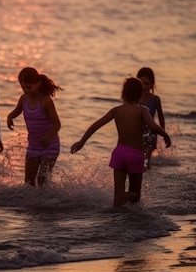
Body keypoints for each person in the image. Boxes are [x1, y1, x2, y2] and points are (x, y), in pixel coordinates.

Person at [71, 77, 171, 208]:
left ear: (123, 93)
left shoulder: (116, 110)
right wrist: (165, 135)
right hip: (135, 155)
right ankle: (128, 197)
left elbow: (96, 125)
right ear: (140, 94)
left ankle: (118, 220)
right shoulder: (142, 111)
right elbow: (152, 126)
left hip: (119, 153)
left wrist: (82, 141)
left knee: (117, 202)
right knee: (135, 196)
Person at [7, 67, 61, 187]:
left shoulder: (46, 101)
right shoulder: (24, 99)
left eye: (29, 87)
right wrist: (10, 117)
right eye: (23, 87)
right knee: (28, 182)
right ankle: (30, 205)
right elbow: (16, 111)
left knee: (42, 181)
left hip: (50, 146)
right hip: (33, 145)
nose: (26, 90)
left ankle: (44, 203)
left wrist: (48, 137)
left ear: (38, 83)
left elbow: (57, 124)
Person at [137, 66, 165, 168]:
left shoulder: (155, 99)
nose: (144, 86)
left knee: (145, 161)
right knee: (137, 158)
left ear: (152, 84)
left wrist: (163, 132)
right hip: (136, 132)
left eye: (147, 83)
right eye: (141, 83)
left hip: (150, 133)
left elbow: (161, 116)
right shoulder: (134, 98)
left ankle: (147, 175)